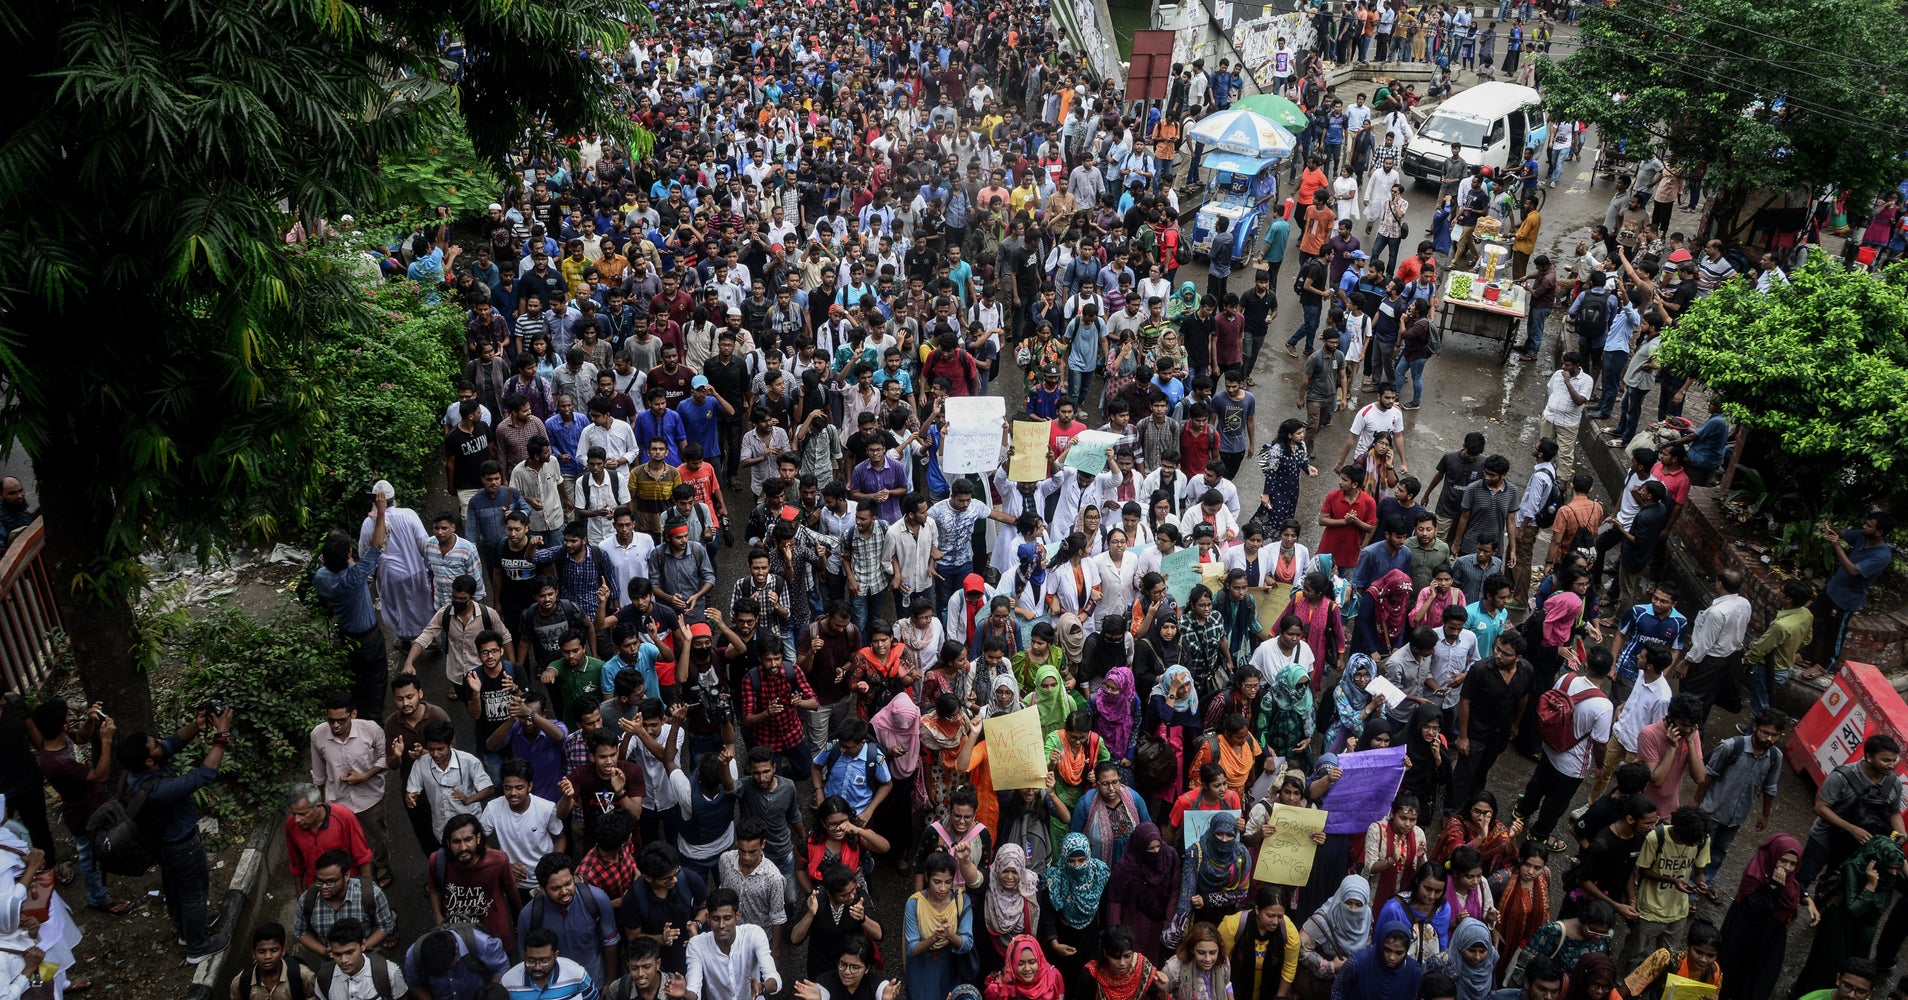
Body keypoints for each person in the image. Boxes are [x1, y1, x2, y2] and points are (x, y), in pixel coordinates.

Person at [116, 704, 236, 962]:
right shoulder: (158, 790)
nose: (160, 743)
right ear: (149, 761)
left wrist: (196, 726)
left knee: (176, 889)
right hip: (182, 845)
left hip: (166, 844)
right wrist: (222, 734)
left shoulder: (137, 770)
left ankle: (187, 930)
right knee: (194, 894)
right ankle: (198, 946)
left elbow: (170, 744)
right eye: (154, 744)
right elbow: (204, 775)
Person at [313, 492, 391, 719]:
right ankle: (374, 723)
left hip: (346, 638)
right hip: (369, 638)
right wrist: (382, 511)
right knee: (376, 684)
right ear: (348, 554)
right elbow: (376, 545)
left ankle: (359, 718)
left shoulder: (321, 578)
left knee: (357, 685)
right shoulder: (354, 576)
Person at [1698, 709, 1787, 881]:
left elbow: (1770, 787)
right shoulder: (1731, 746)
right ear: (1755, 727)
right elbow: (1708, 775)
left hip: (1737, 816)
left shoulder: (1775, 756)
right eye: (1765, 733)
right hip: (1712, 810)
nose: (1770, 739)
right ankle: (1691, 885)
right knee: (1700, 848)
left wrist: (1765, 815)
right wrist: (1696, 801)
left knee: (1719, 851)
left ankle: (1705, 883)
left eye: (1775, 735)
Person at [1217, 886, 1301, 1000]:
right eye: (1270, 916)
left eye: (1280, 916)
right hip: (1236, 989)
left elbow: (1289, 970)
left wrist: (1279, 998)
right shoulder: (1232, 926)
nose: (1275, 922)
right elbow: (1221, 966)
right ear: (1257, 910)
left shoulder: (1289, 932)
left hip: (1271, 990)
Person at [1330, 918, 1422, 1000]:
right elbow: (1338, 990)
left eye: (1399, 953)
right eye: (1387, 950)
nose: (1392, 957)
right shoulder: (1357, 962)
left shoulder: (1413, 971)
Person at [318, 918, 408, 999]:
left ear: (363, 946)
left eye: (349, 952)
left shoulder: (389, 974)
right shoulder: (324, 977)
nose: (344, 960)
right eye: (337, 954)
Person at [230, 923, 319, 1000]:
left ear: (283, 951)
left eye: (274, 950)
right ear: (254, 954)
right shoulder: (240, 982)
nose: (268, 956)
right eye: (261, 951)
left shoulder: (303, 976)